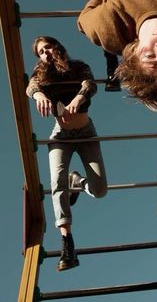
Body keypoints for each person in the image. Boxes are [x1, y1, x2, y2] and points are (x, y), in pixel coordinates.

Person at [26, 36, 107, 271]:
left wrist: (79, 97)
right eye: (41, 51)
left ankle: (78, 181)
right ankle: (67, 243)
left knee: (100, 190)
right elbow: (31, 87)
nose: (46, 53)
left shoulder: (78, 66)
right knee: (56, 182)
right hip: (60, 135)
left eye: (48, 47)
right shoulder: (41, 75)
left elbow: (89, 83)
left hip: (86, 132)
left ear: (58, 47)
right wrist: (38, 95)